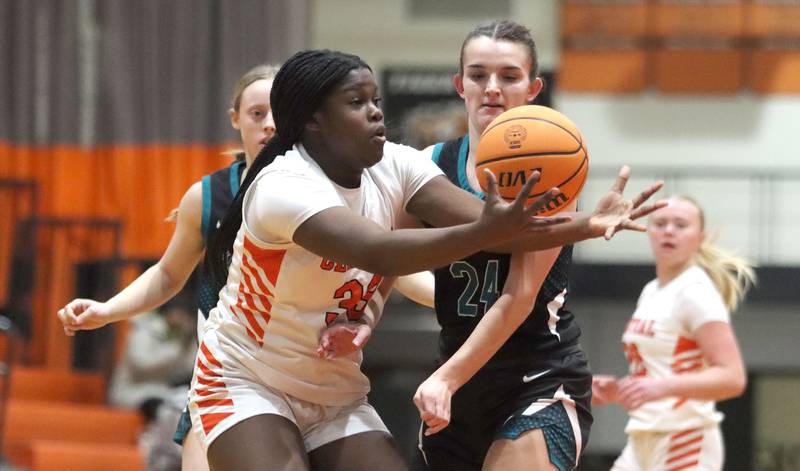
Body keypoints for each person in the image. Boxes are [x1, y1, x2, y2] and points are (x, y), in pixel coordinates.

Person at [195, 47, 656, 471]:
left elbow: (501, 229)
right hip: (246, 377)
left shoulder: (397, 163)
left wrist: (588, 223)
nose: (376, 112)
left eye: (375, 99)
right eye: (357, 103)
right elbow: (378, 249)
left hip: (332, 386)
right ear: (314, 120)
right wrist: (484, 230)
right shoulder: (284, 186)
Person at [409, 20, 667, 471]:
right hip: (459, 372)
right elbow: (390, 257)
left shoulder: (551, 166)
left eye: (509, 76)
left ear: (532, 88)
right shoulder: (428, 166)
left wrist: (446, 379)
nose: (492, 88)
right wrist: (435, 298)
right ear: (459, 84)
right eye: (478, 74)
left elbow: (517, 297)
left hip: (537, 374)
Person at [57, 64, 280, 471]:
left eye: (279, 111)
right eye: (257, 113)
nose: (269, 125)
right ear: (235, 118)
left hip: (301, 374)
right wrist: (107, 310)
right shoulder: (209, 196)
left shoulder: (324, 192)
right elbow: (166, 275)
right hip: (227, 375)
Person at [592, 195, 752, 471]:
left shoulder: (695, 293)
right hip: (643, 437)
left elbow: (732, 377)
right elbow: (660, 371)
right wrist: (620, 390)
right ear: (649, 231)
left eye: (680, 225)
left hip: (684, 437)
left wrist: (659, 387)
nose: (669, 230)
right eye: (660, 223)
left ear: (700, 237)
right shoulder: (652, 290)